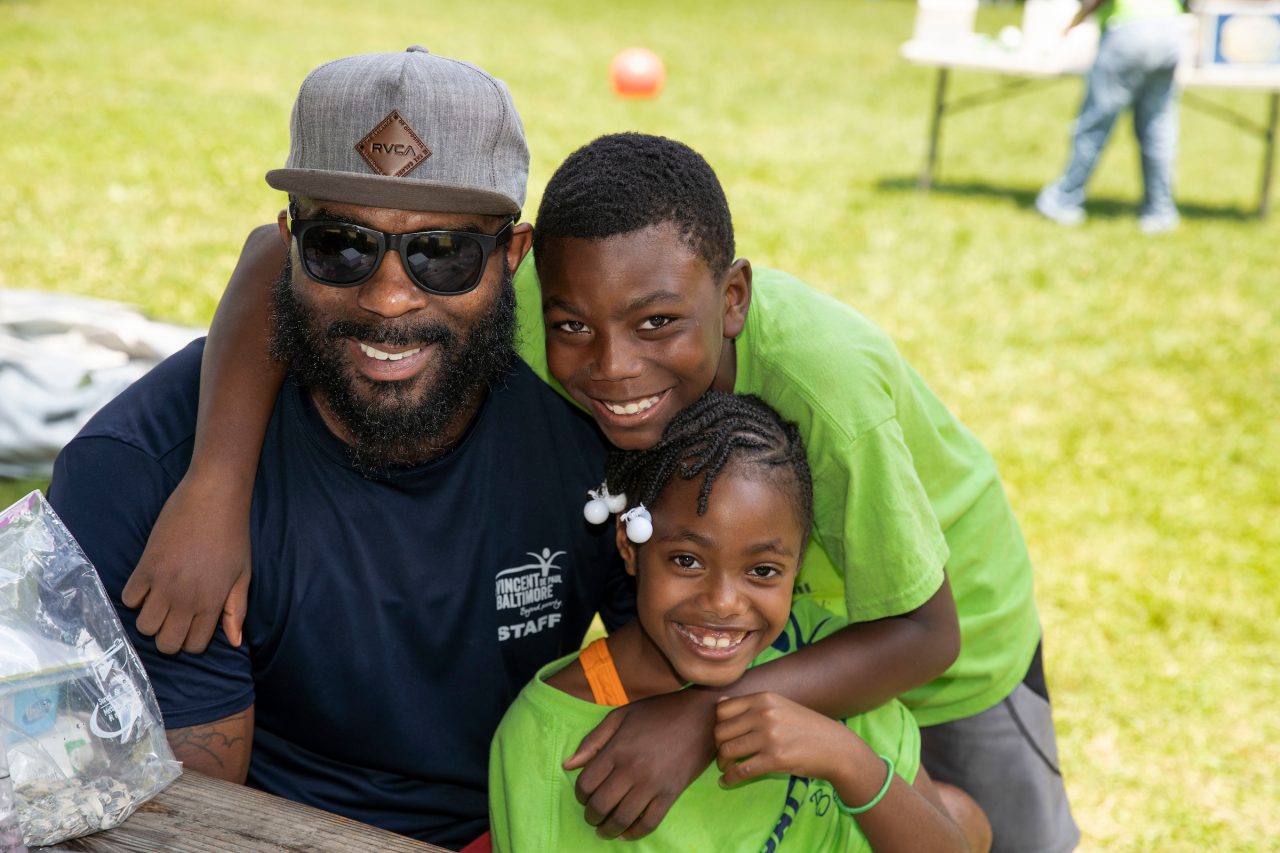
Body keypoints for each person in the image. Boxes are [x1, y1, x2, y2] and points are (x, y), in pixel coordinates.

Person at [126, 135, 1077, 851]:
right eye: (574, 326)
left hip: (940, 647)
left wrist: (701, 719)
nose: (613, 367)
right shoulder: (561, 309)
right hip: (754, 625)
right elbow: (270, 257)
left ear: (733, 299)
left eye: (658, 323)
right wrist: (216, 483)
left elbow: (926, 633)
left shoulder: (827, 389)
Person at [46, 47, 636, 850]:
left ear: (513, 257)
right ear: (289, 243)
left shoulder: (598, 419)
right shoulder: (140, 474)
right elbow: (184, 823)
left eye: (442, 253)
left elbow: (700, 643)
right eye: (340, 245)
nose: (389, 296)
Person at [490, 391, 990, 852]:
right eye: (687, 561)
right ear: (629, 545)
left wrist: (848, 760)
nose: (725, 602)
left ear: (797, 565)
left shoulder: (824, 656)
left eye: (763, 571)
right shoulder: (549, 743)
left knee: (968, 817)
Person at [1035, 0, 1185, 233]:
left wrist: (1075, 21)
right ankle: (1160, 211)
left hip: (1127, 30)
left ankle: (1064, 200)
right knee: (1157, 127)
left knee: (1094, 125)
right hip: (1171, 32)